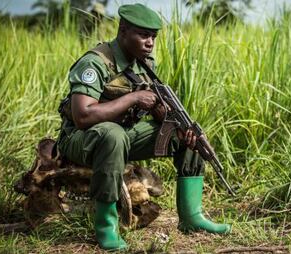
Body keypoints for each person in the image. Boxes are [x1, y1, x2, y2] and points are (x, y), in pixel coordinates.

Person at [57, 3, 231, 251]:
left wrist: (176, 125)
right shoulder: (95, 62)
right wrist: (132, 98)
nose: (150, 42)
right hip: (80, 139)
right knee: (113, 135)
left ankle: (192, 217)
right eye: (143, 35)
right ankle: (107, 226)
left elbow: (155, 108)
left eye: (153, 37)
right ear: (123, 30)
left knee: (186, 133)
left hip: (121, 135)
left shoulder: (144, 63)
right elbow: (82, 116)